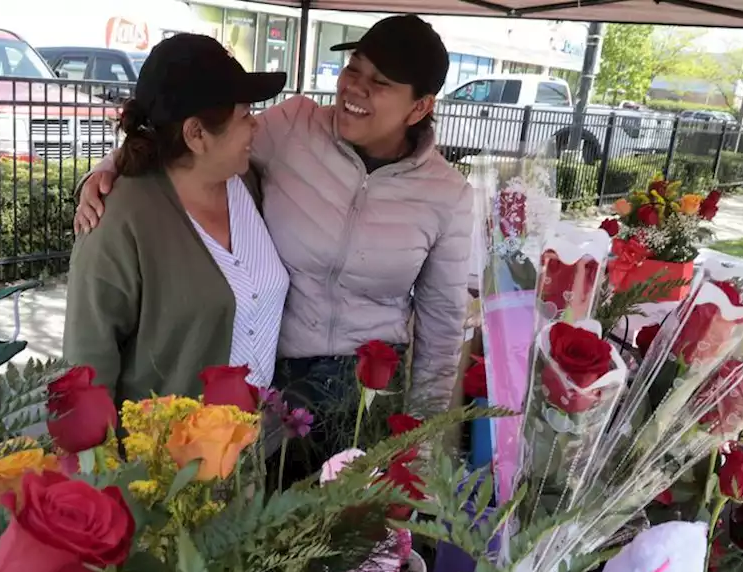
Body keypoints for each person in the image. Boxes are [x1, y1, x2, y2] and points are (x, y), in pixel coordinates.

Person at [74, 15, 475, 469]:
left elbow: (442, 324)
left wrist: (419, 440)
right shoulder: (294, 127)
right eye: (354, 69)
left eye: (379, 82)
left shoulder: (447, 194)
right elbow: (190, 139)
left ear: (419, 107)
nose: (354, 89)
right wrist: (106, 172)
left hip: (366, 389)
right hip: (277, 378)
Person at [63, 34, 289, 409]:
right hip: (166, 459)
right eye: (245, 115)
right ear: (196, 133)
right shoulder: (118, 218)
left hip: (253, 451)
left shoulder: (248, 184)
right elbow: (88, 359)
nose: (257, 126)